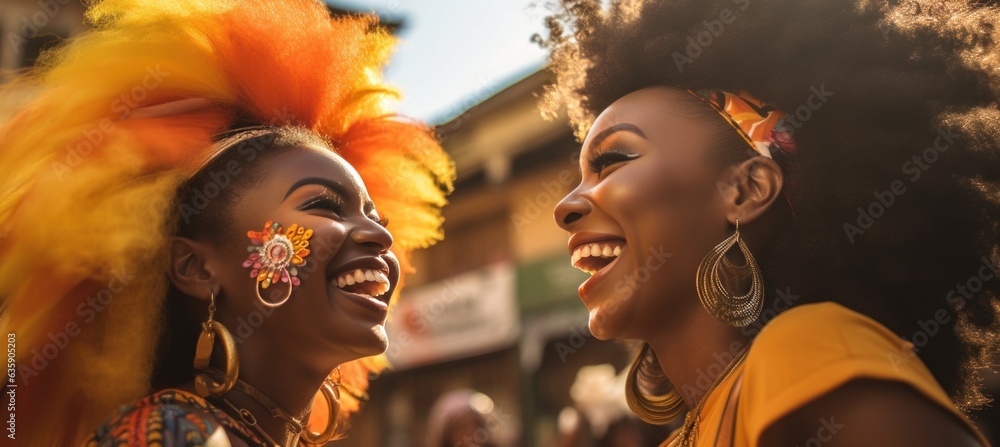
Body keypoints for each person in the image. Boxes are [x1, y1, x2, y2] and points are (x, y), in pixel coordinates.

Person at [543, 0, 999, 445]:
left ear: (746, 191)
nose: (565, 207)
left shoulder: (805, 350)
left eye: (613, 160)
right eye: (579, 177)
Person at [0, 0, 453, 446]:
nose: (381, 236)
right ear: (196, 268)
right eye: (324, 206)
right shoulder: (173, 435)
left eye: (377, 216)